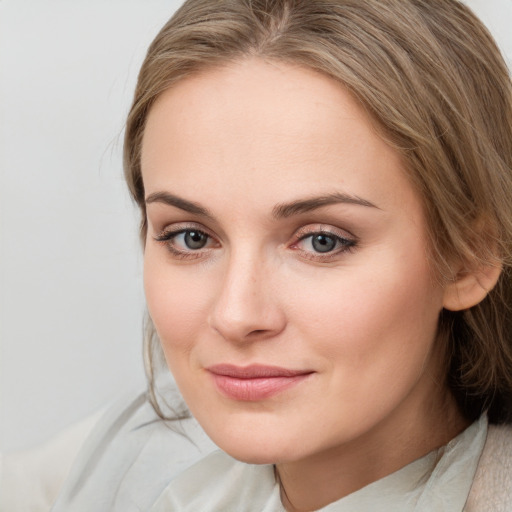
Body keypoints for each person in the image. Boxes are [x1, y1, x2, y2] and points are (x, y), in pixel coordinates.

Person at [12, 0, 512, 510]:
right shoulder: (131, 460)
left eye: (322, 241)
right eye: (191, 237)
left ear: (469, 257)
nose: (236, 315)